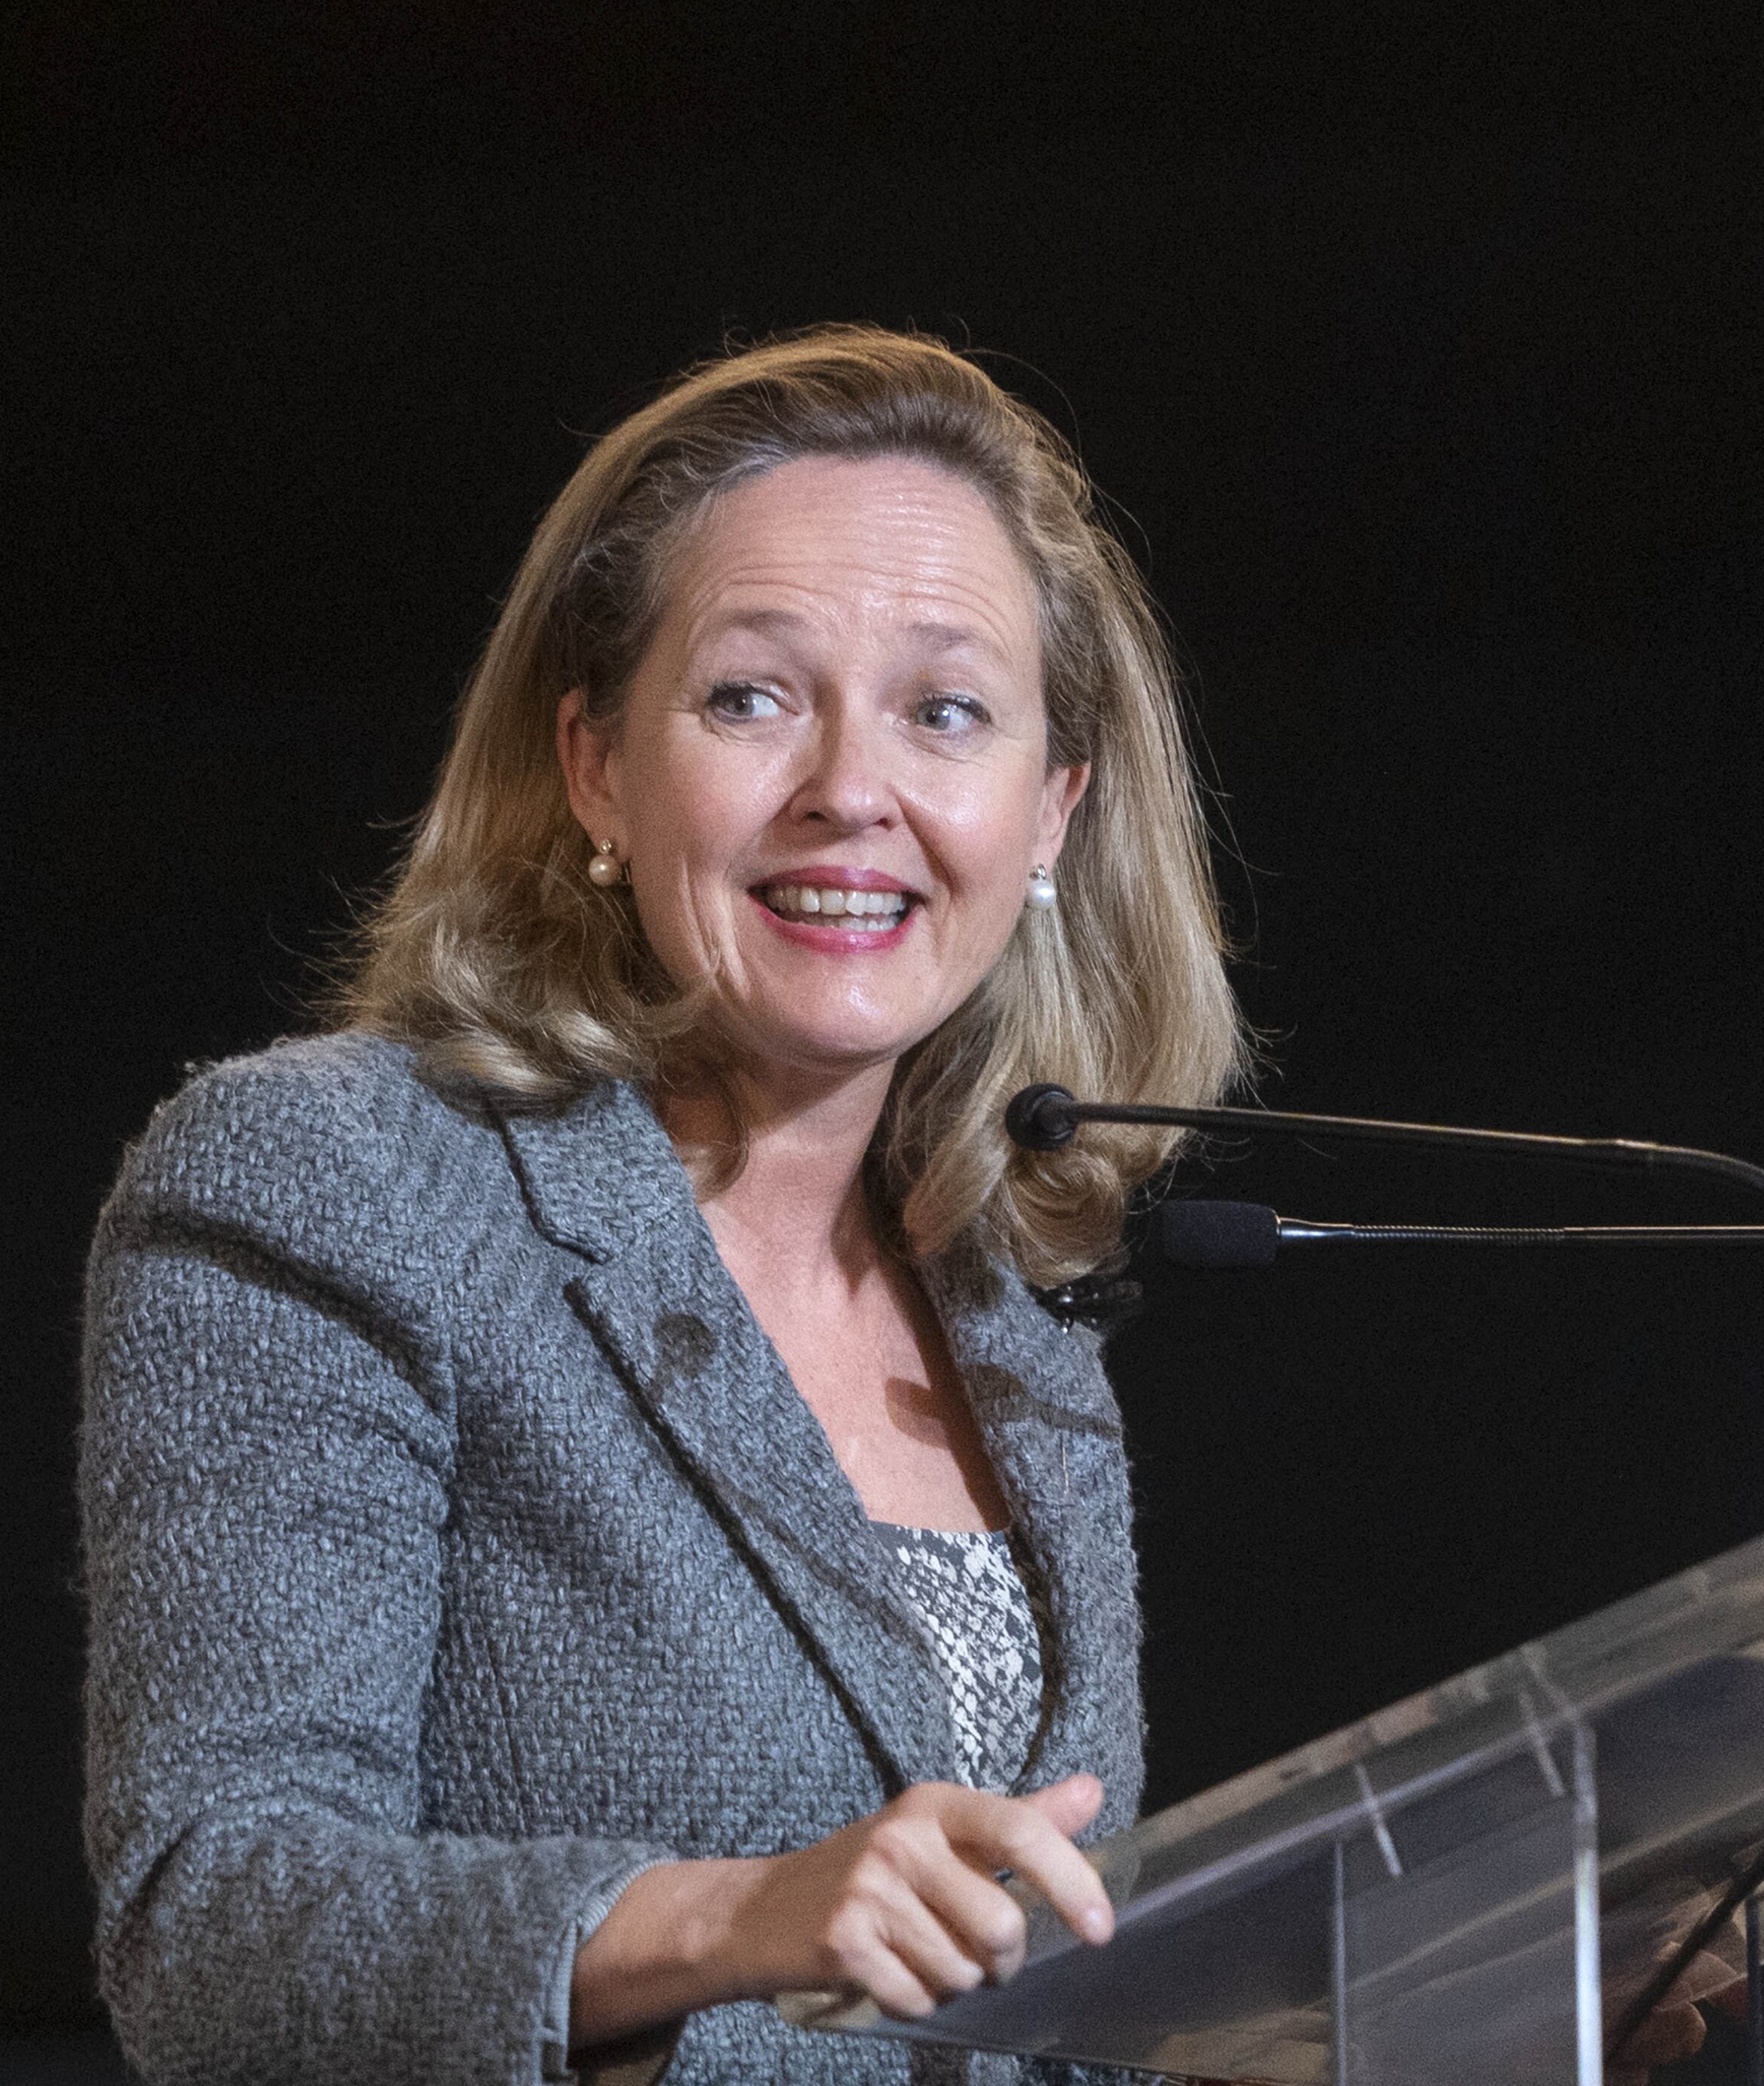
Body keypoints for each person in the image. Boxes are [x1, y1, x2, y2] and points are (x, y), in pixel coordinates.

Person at [77, 326, 1244, 2086]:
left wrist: (1424, 2011)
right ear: (595, 764)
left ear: (1050, 810)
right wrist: (733, 1913)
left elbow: (1027, 2027)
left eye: (944, 710)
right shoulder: (335, 1179)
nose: (851, 788)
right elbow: (219, 1933)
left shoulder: (1011, 1315)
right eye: (752, 695)